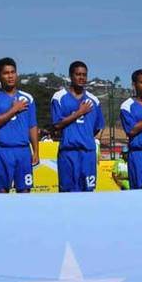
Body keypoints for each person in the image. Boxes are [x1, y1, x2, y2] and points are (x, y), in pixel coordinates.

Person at [0, 57, 39, 193]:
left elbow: (32, 126)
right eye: (6, 73)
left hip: (23, 151)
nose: (10, 76)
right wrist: (14, 109)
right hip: (3, 150)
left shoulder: (28, 98)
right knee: (2, 191)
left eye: (12, 72)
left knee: (25, 191)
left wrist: (36, 151)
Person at [51, 60, 105, 192]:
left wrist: (84, 137)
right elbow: (57, 125)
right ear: (71, 76)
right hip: (68, 152)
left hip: (88, 153)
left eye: (84, 75)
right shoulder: (59, 97)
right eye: (78, 74)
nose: (81, 78)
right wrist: (79, 113)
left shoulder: (94, 100)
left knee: (88, 192)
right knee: (67, 193)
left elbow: (97, 127)